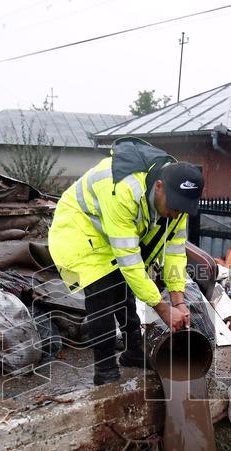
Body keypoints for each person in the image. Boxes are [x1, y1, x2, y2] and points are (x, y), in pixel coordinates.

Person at [48, 138, 204, 385]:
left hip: (110, 232)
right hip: (76, 231)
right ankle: (105, 370)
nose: (176, 213)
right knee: (103, 291)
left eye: (184, 209)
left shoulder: (177, 202)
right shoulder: (123, 190)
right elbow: (130, 262)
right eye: (174, 206)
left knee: (124, 286)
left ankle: (134, 351)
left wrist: (179, 300)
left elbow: (175, 253)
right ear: (160, 187)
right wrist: (163, 309)